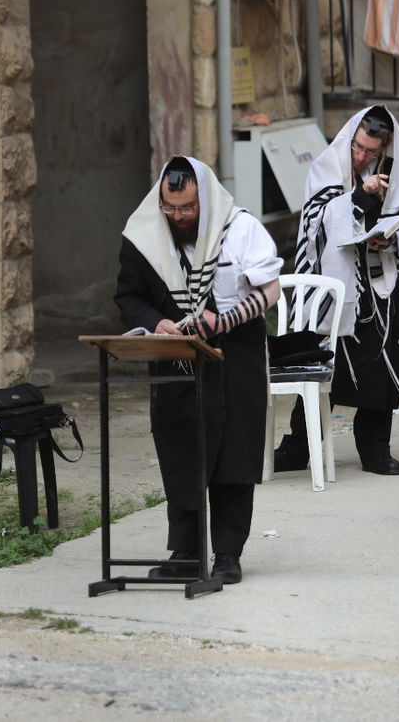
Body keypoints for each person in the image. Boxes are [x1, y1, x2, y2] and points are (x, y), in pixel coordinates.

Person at [114, 156, 281, 584]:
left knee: (235, 454)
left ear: (204, 200)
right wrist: (156, 323)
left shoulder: (240, 228)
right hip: (176, 356)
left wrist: (219, 322)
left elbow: (269, 291)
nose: (178, 217)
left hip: (236, 354)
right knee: (180, 449)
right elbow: (129, 297)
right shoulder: (144, 236)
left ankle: (227, 554)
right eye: (171, 209)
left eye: (187, 208)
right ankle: (186, 553)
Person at [277, 106, 399, 476]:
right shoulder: (327, 166)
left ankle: (375, 448)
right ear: (350, 138)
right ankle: (298, 446)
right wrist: (360, 197)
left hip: (383, 285)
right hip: (336, 285)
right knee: (322, 359)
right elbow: (317, 223)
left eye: (371, 151)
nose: (361, 156)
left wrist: (391, 241)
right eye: (358, 147)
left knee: (384, 361)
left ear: (385, 150)